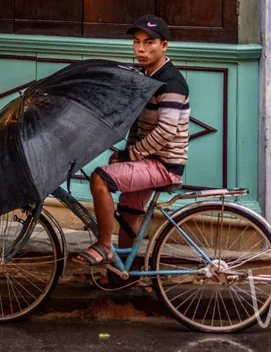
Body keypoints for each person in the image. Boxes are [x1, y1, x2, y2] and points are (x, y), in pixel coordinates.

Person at [74, 15, 190, 266]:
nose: (141, 49)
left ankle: (104, 245)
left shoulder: (171, 82)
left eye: (149, 42)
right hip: (147, 160)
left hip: (164, 165)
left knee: (99, 178)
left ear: (164, 45)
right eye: (137, 42)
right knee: (127, 214)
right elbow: (136, 122)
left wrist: (130, 155)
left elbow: (166, 131)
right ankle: (126, 270)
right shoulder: (144, 75)